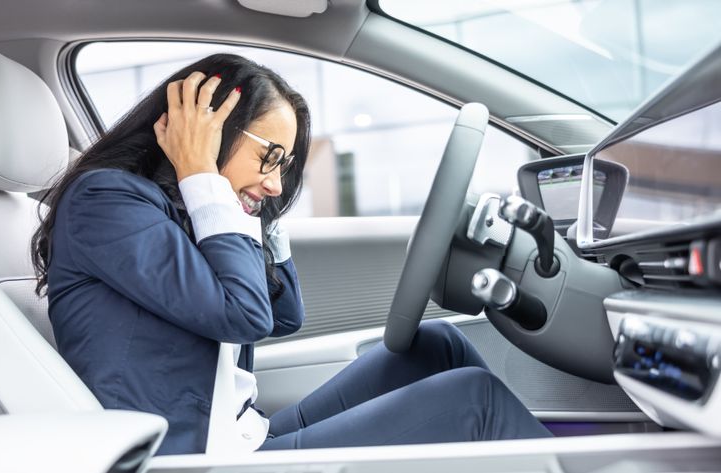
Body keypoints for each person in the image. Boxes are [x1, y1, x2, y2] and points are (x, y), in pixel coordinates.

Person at [31, 53, 551, 455]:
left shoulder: (181, 208)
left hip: (239, 434)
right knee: (474, 398)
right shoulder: (106, 201)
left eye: (287, 164)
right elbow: (244, 313)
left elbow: (284, 315)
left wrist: (242, 205)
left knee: (437, 346)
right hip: (194, 458)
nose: (278, 183)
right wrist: (202, 176)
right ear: (209, 130)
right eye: (270, 157)